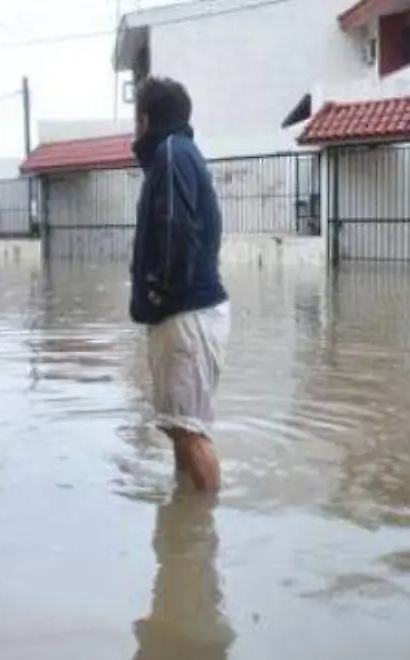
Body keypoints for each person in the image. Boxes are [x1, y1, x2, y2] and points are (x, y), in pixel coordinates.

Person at [129, 76, 230, 492]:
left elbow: (175, 227)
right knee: (179, 427)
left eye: (135, 118)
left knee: (188, 432)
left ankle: (202, 537)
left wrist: (159, 292)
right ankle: (183, 529)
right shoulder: (181, 154)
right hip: (187, 312)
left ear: (146, 118)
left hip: (185, 313)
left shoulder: (170, 155)